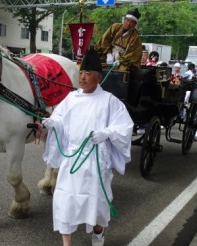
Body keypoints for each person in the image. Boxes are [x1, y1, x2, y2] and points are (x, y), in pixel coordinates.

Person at [41, 49, 133, 246]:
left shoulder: (110, 101)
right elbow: (60, 120)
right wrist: (53, 124)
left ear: (98, 77)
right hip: (72, 158)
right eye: (81, 73)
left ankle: (98, 233)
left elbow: (124, 127)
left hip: (95, 159)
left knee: (96, 204)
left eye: (87, 73)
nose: (82, 77)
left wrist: (107, 133)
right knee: (65, 200)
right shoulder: (71, 98)